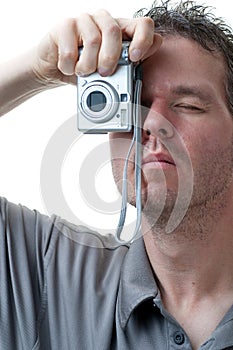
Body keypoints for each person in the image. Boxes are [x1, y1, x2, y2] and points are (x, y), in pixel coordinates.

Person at [0, 0, 233, 349]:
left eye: (187, 105)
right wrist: (36, 71)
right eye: (131, 104)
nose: (150, 123)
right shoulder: (49, 271)